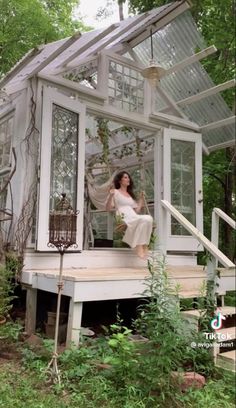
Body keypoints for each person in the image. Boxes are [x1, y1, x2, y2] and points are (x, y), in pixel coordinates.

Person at [106, 171, 153, 259]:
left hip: (133, 216)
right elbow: (108, 208)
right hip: (123, 216)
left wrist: (141, 199)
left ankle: (144, 244)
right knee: (144, 220)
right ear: (120, 181)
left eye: (128, 177)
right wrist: (110, 196)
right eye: (125, 177)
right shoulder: (115, 192)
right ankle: (139, 246)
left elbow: (137, 210)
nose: (128, 179)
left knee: (149, 218)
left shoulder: (130, 195)